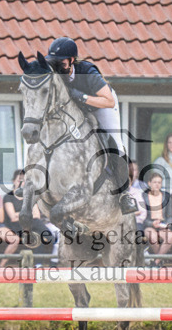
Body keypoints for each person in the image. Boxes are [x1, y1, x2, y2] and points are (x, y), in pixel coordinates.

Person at [43, 36, 137, 215]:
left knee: (115, 142)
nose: (56, 67)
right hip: (76, 108)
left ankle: (124, 194)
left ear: (71, 61)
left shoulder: (87, 71)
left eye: (60, 63)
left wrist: (82, 97)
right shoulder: (55, 74)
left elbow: (108, 101)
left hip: (101, 105)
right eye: (52, 63)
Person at [1, 169, 56, 267]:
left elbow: (36, 215)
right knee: (36, 224)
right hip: (17, 226)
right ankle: (50, 237)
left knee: (37, 234)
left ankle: (38, 264)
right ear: (14, 181)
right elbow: (13, 217)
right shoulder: (8, 197)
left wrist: (22, 214)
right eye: (19, 180)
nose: (22, 183)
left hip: (31, 224)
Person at [142, 170, 172, 262]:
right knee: (153, 238)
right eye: (154, 182)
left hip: (163, 224)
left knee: (170, 237)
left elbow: (170, 215)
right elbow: (142, 218)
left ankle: (156, 261)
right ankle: (160, 261)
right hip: (149, 224)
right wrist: (152, 223)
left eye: (159, 182)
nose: (157, 184)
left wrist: (168, 224)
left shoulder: (166, 196)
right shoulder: (144, 196)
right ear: (149, 183)